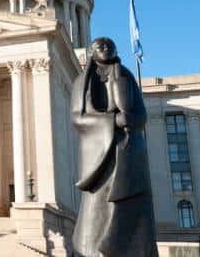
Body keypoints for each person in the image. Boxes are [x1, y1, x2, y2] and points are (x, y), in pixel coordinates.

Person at [71, 37, 158, 257]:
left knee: (133, 209)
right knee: (96, 212)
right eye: (100, 46)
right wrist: (112, 122)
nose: (106, 48)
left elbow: (142, 114)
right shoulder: (82, 82)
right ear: (90, 51)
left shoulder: (127, 77)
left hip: (129, 152)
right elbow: (77, 119)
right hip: (100, 158)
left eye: (110, 45)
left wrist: (129, 120)